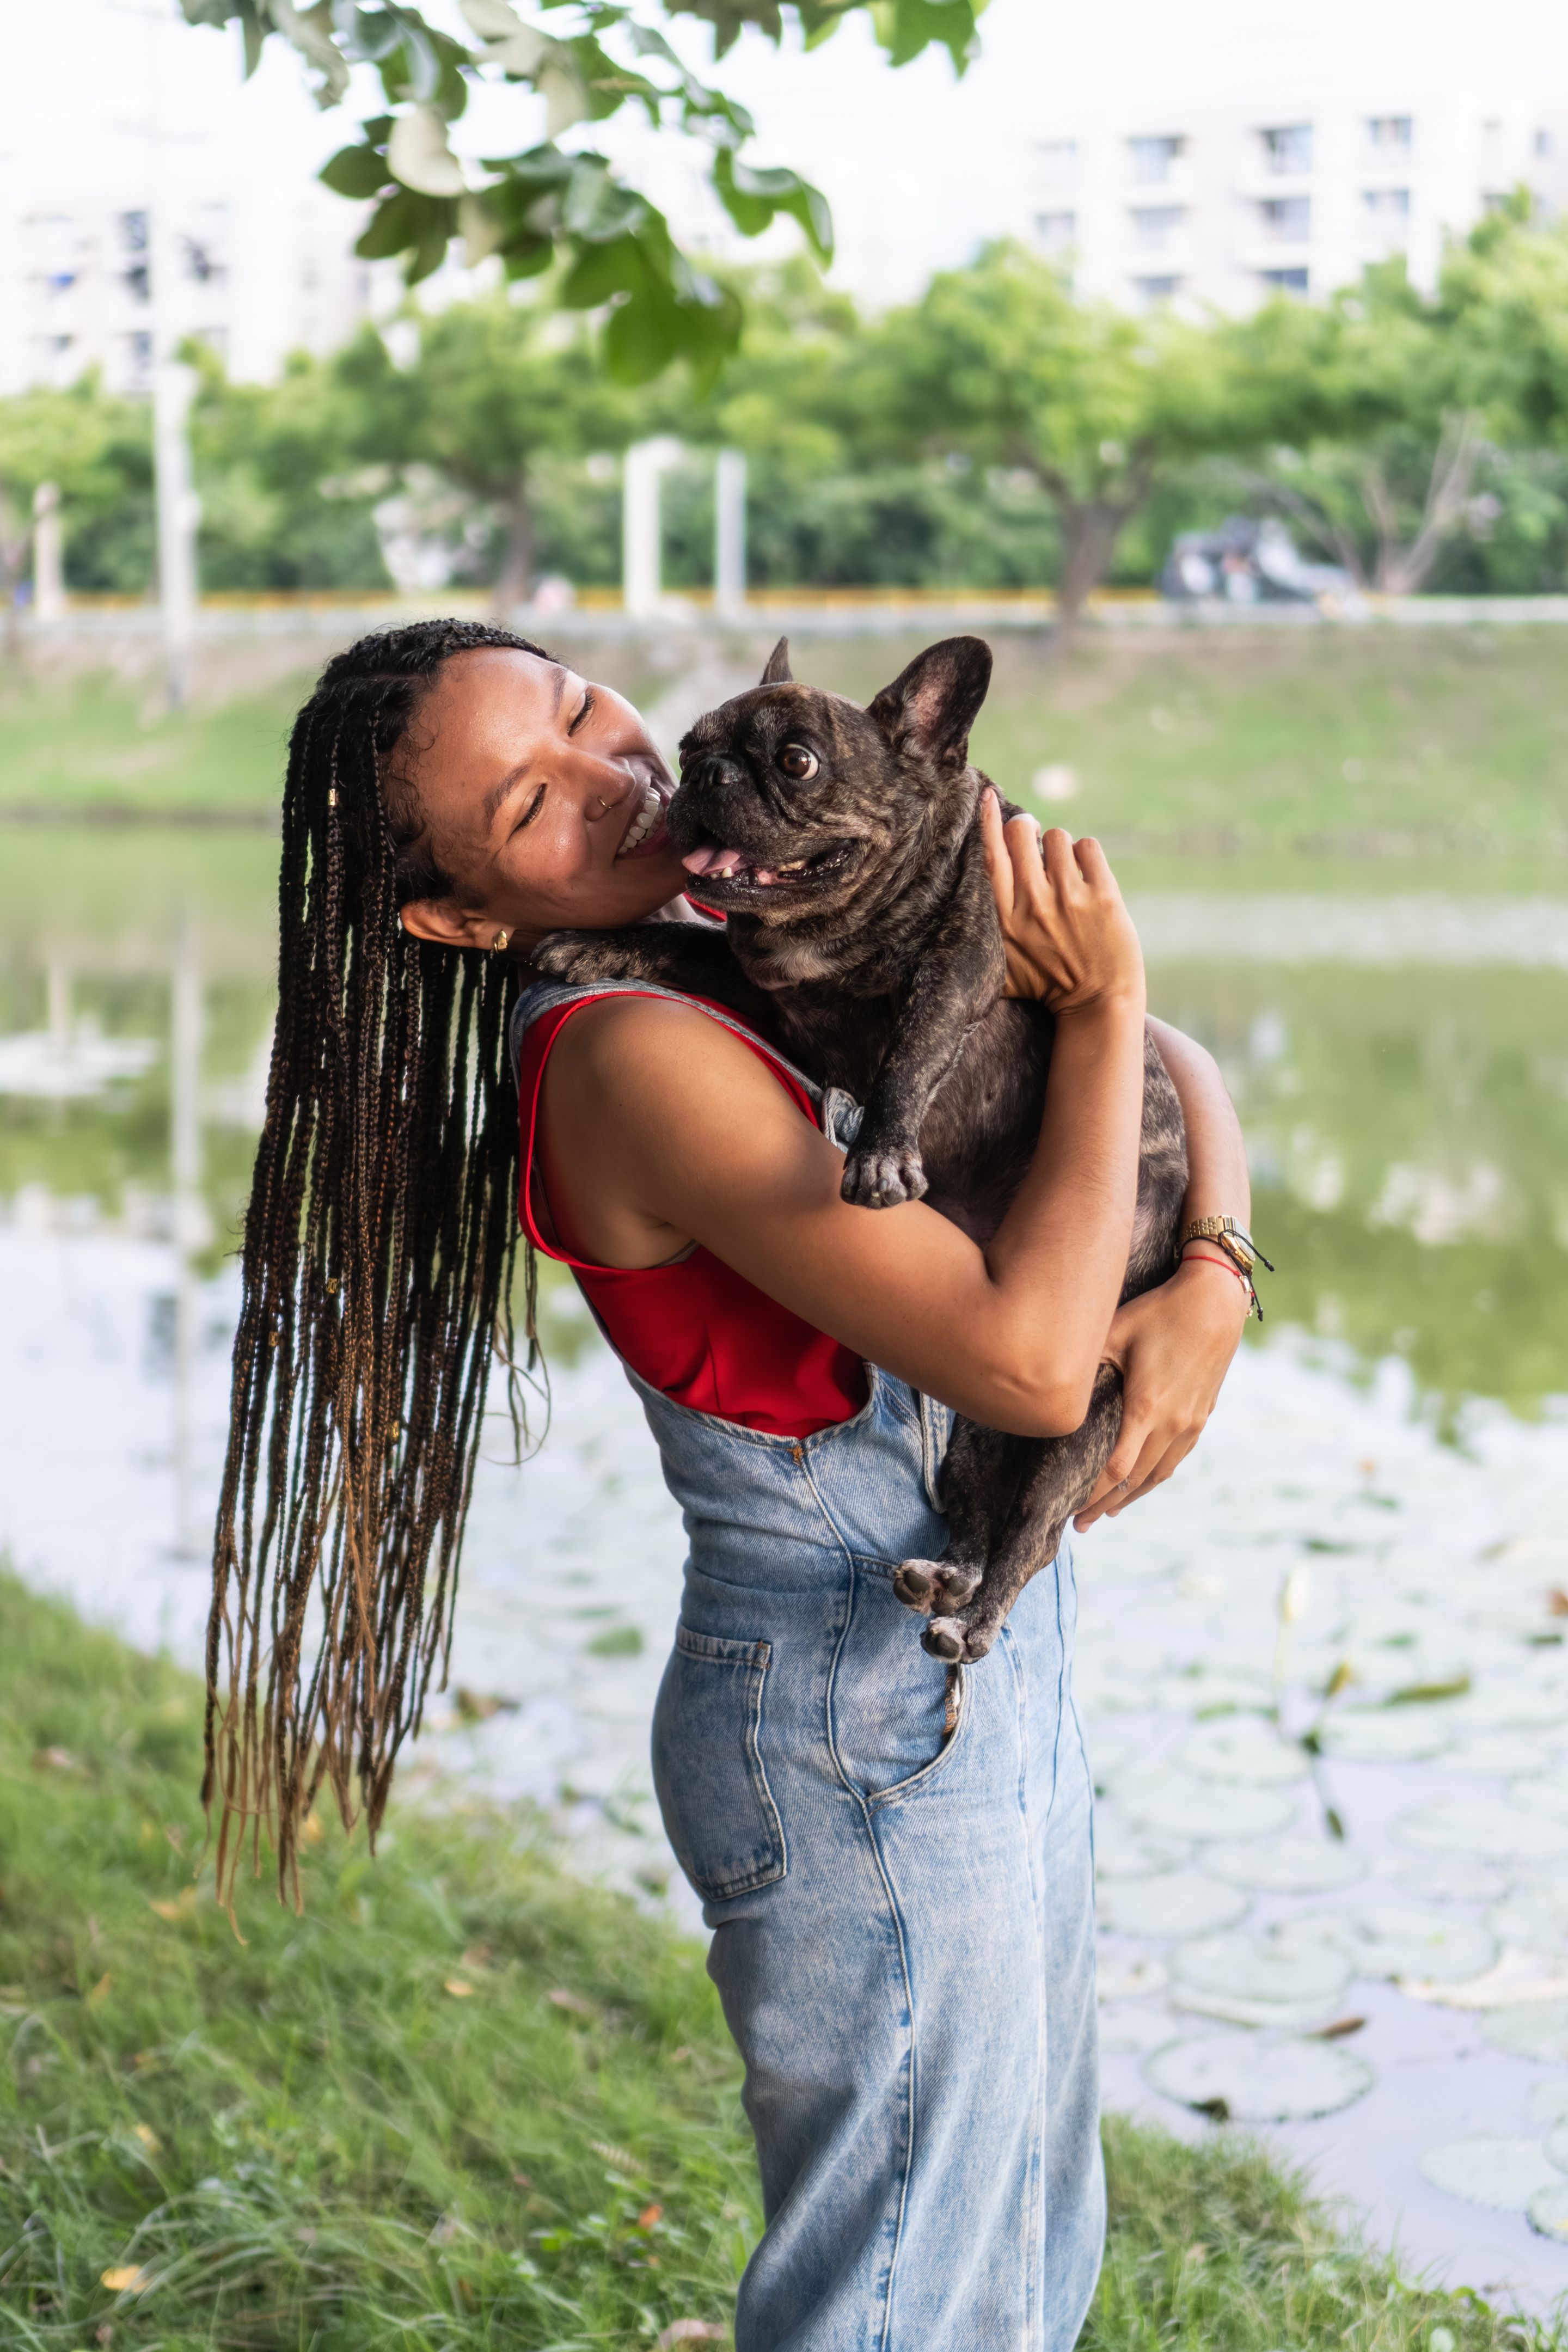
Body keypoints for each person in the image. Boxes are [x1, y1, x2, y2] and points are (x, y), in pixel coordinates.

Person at [209, 618, 1255, 2351]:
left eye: (582, 705)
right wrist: (1112, 991)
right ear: (465, 919)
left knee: (1019, 2244)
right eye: (537, 800)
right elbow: (1024, 1361)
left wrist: (1210, 1257)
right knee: (905, 2297)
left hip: (962, 1659)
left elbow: (1155, 1064)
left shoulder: (746, 910)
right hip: (856, 1708)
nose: (619, 770)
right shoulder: (627, 1054)